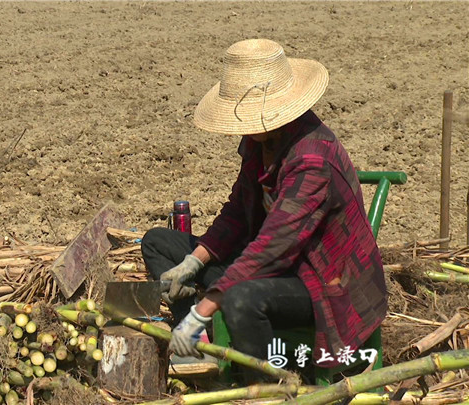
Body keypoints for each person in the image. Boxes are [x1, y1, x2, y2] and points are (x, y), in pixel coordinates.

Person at [141, 38, 387, 382]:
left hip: (322, 280)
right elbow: (238, 213)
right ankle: (200, 336)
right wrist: (194, 260)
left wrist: (204, 307)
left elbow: (273, 247)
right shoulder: (262, 141)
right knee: (157, 243)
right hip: (275, 264)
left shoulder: (312, 159)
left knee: (241, 298)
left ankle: (266, 386)